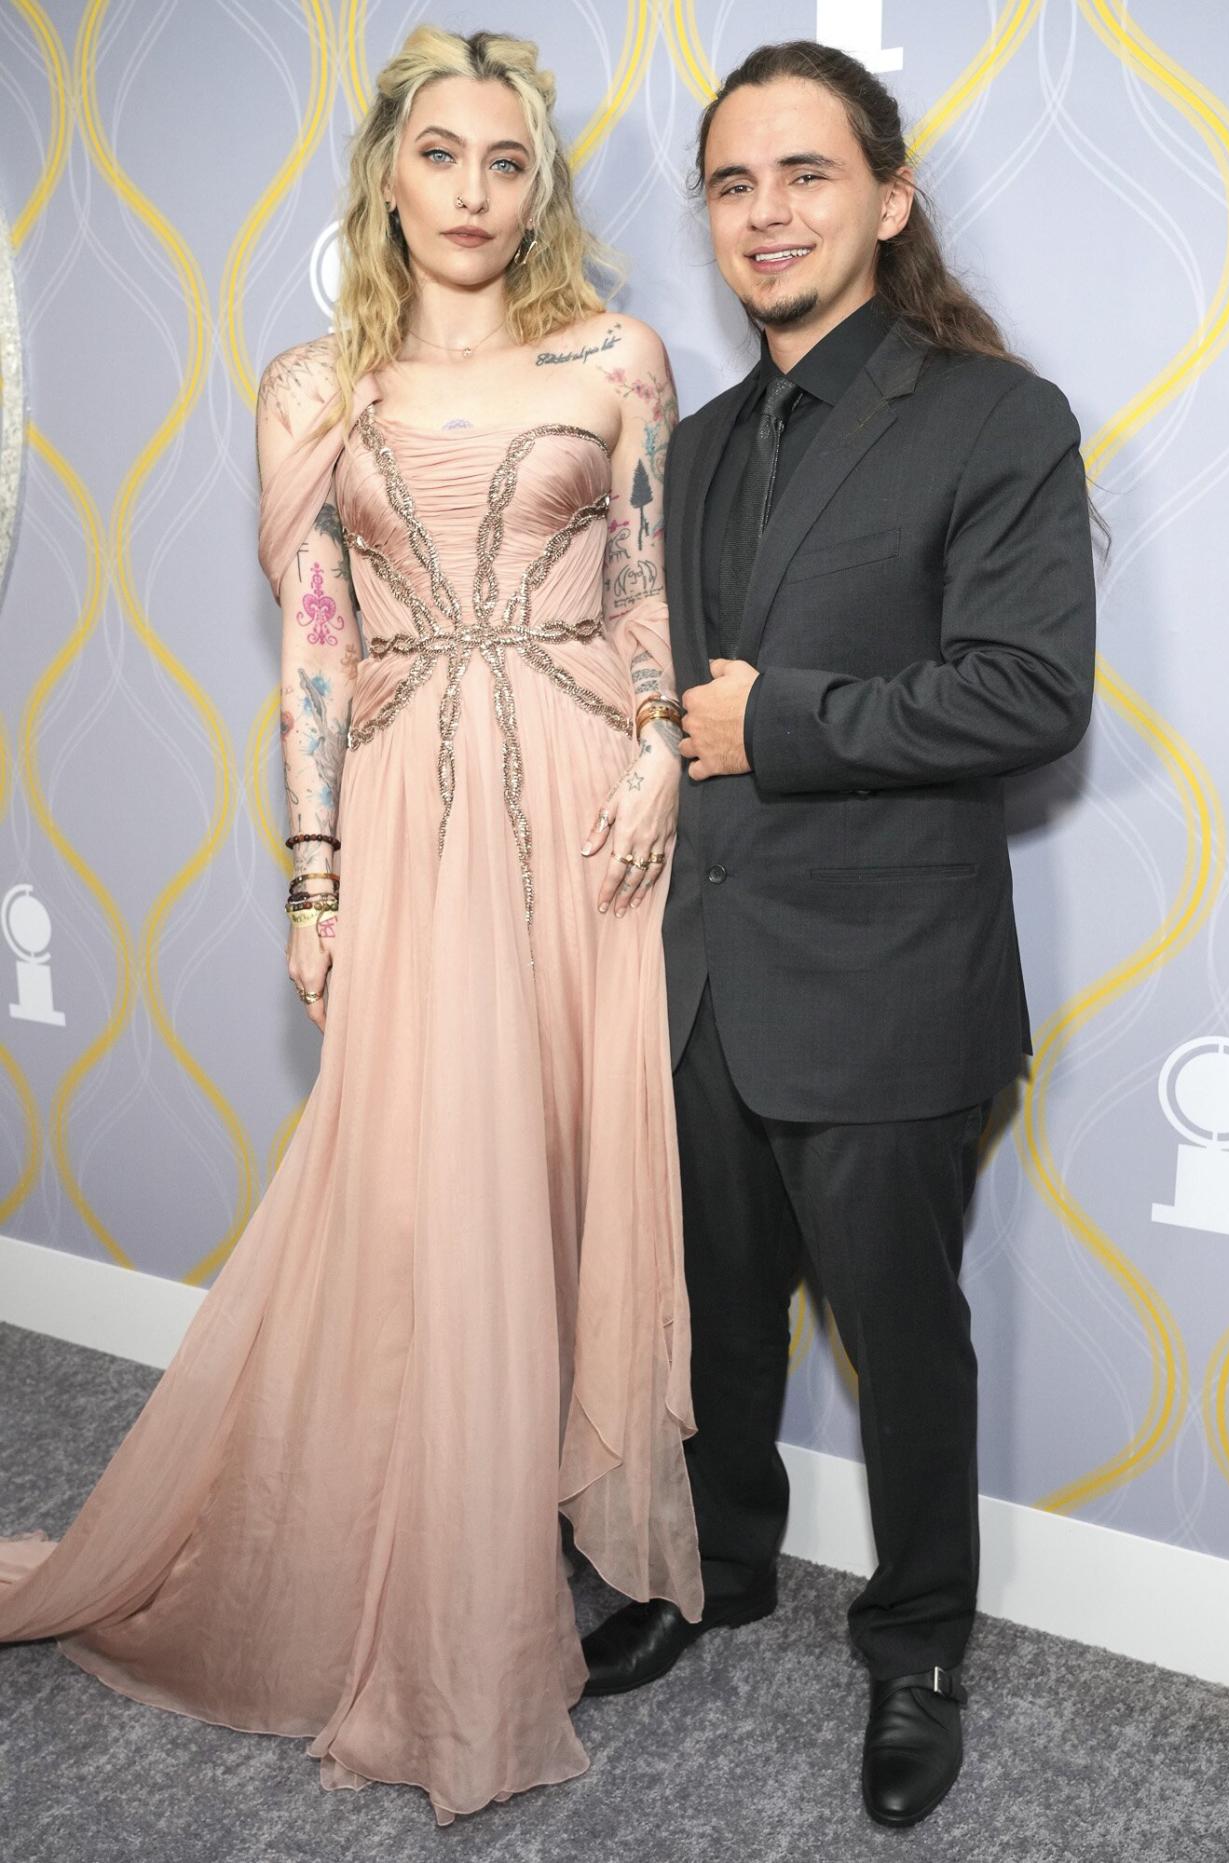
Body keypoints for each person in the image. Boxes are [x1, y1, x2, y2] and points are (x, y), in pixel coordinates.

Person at [0, 26, 702, 1824]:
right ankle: (441, 1604)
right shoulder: (318, 386)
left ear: (536, 186)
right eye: (442, 156)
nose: (475, 194)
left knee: (558, 1168)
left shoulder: (617, 355)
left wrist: (658, 757)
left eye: (508, 163)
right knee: (425, 1187)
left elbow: (642, 589)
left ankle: (526, 1521)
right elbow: (316, 646)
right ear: (387, 174)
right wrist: (313, 876)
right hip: (407, 810)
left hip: (586, 808)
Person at [581, 39, 1096, 1830]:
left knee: (901, 1339)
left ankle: (916, 1649)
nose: (765, 213)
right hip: (704, 974)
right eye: (732, 184)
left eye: (803, 174)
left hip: (888, 985)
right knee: (715, 1325)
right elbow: (672, 707)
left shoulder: (992, 414)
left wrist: (774, 722)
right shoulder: (702, 444)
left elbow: (1031, 695)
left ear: (884, 197)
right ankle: (721, 1571)